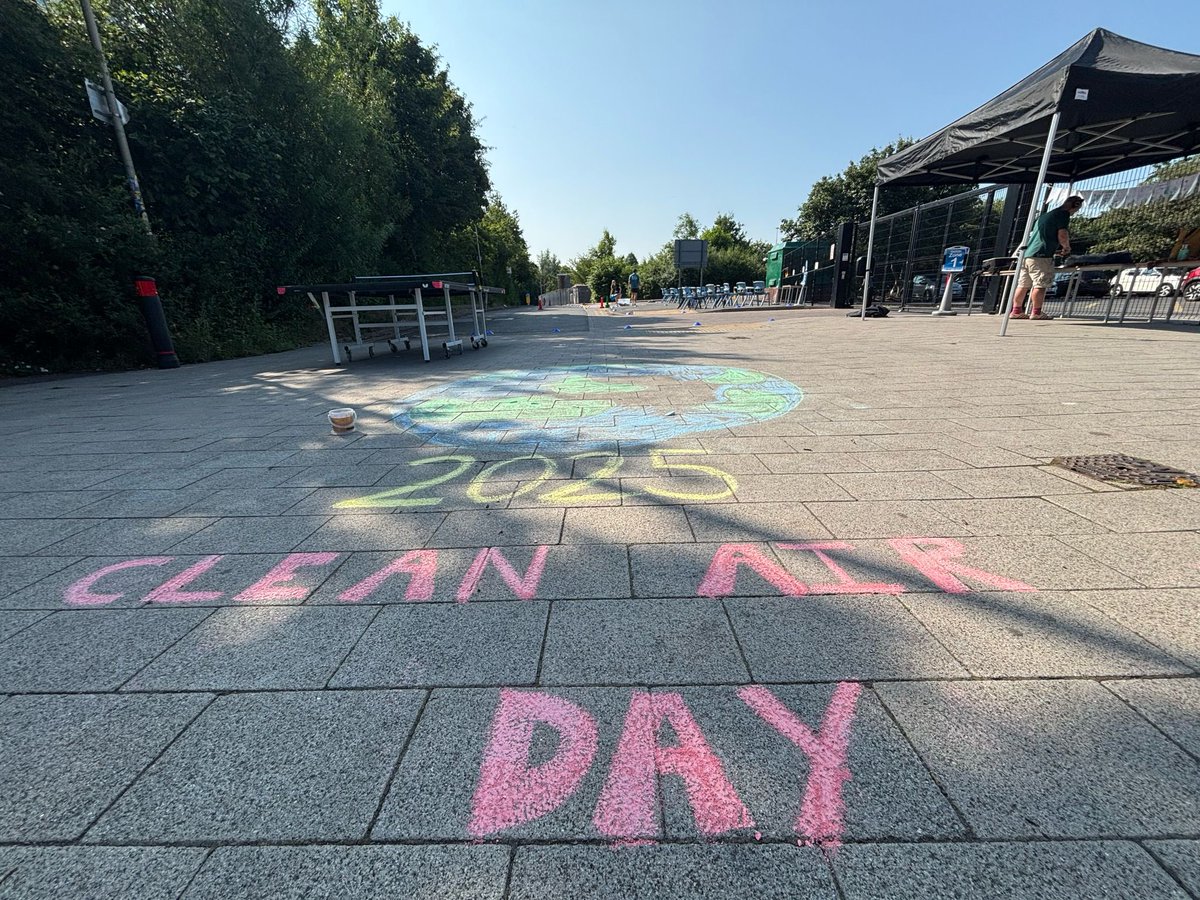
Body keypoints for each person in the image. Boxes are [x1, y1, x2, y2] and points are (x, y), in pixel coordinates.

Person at [1010, 195, 1084, 320]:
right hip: (1041, 255)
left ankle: (1016, 310)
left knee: (1023, 284)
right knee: (1040, 284)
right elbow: (1062, 234)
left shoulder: (1045, 216)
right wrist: (1066, 247)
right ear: (1075, 205)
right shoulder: (1063, 214)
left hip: (1027, 254)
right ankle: (1036, 312)